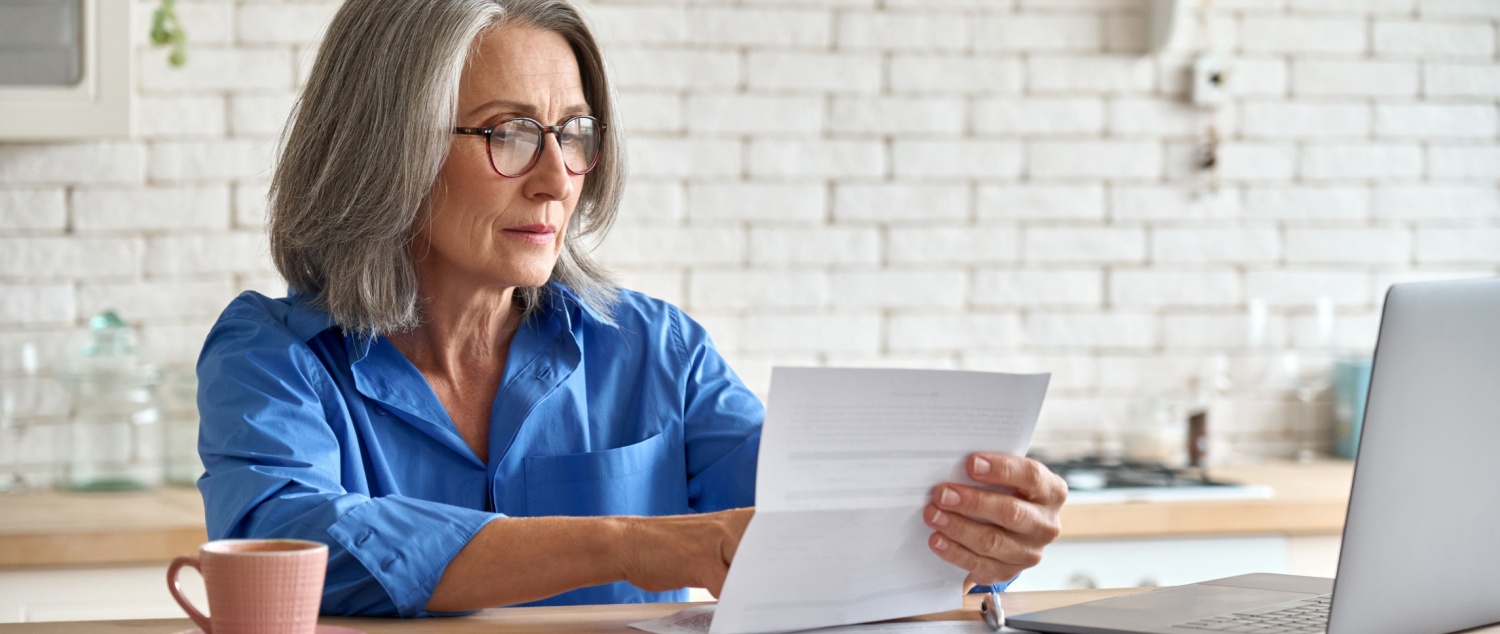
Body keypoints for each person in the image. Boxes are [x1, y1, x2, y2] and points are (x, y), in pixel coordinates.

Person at [195, 0, 1068, 618]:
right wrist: (636, 544)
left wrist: (971, 539)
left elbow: (814, 529)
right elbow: (294, 546)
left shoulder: (657, 351)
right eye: (508, 132)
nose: (557, 176)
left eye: (574, 132)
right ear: (389, 147)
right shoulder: (271, 357)